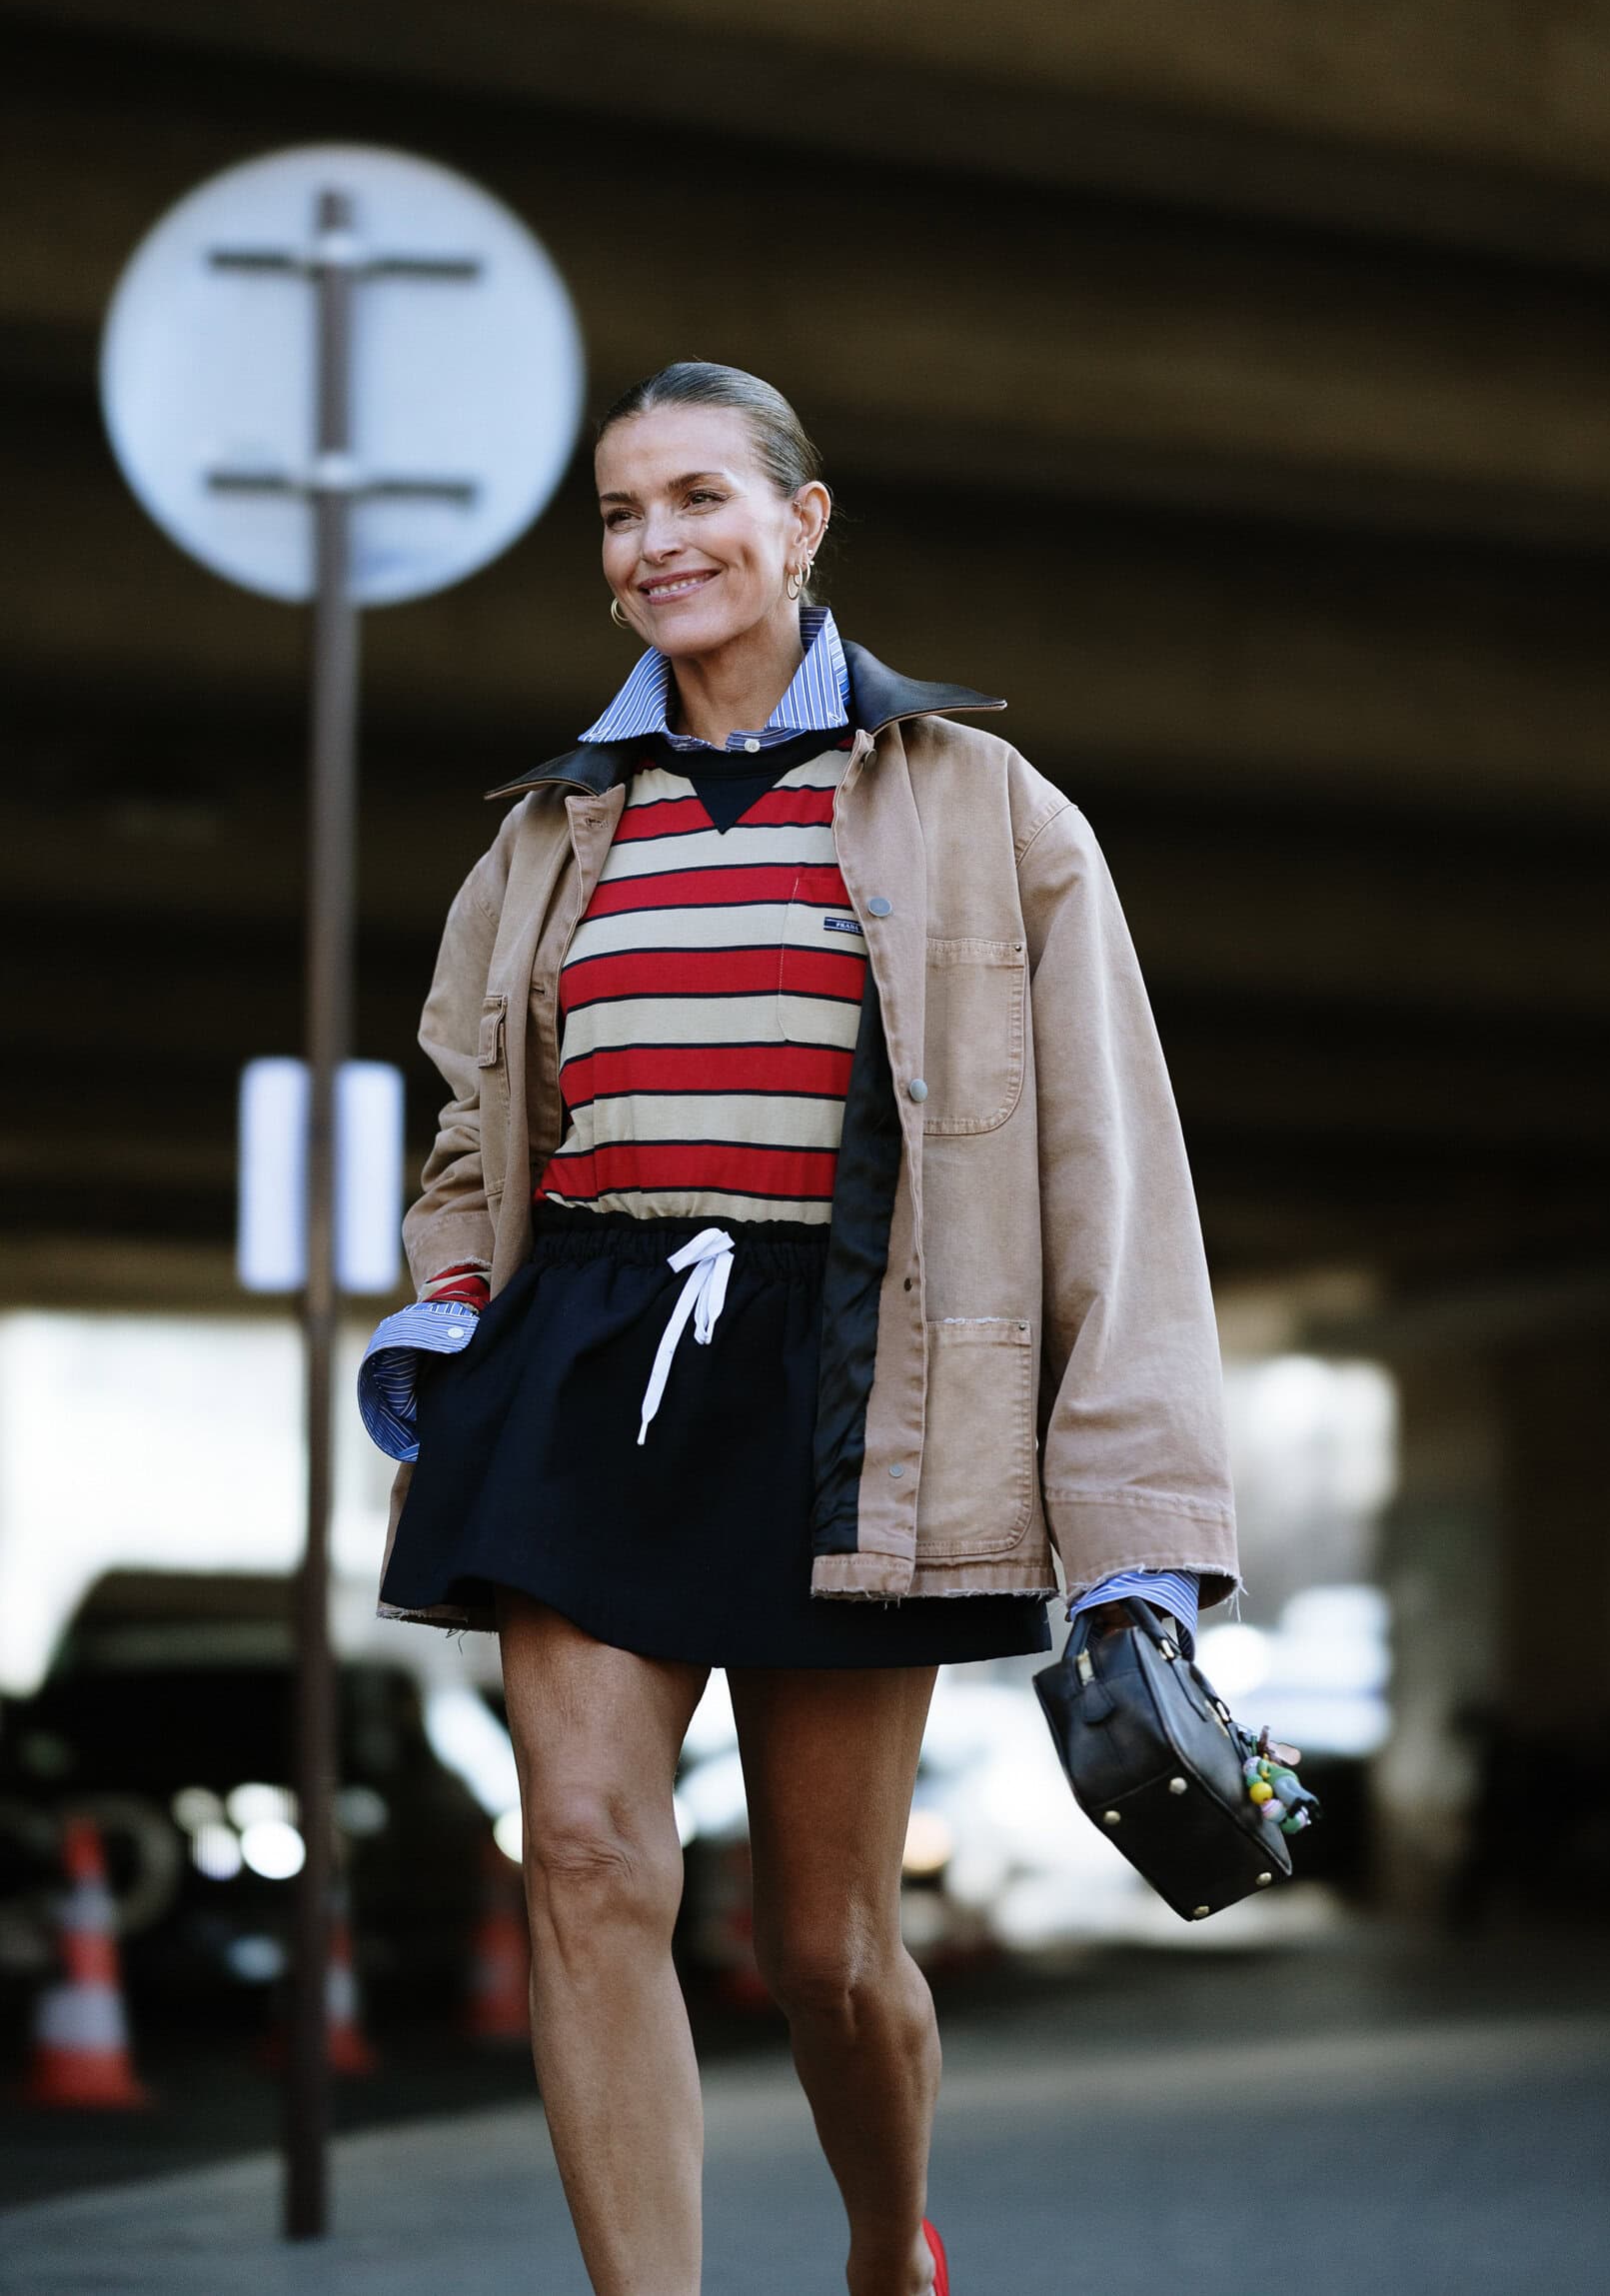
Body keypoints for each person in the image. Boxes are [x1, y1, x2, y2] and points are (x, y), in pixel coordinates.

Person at [358, 360, 1239, 2296]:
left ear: (802, 522)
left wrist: (1139, 1539)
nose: (655, 543)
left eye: (696, 498)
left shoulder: (990, 809)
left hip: (858, 1380)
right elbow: (468, 1125)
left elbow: (1112, 1166)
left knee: (824, 1947)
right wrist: (446, 1295)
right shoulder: (546, 834)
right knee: (584, 1856)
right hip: (589, 1355)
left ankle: (878, 2244)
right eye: (619, 512)